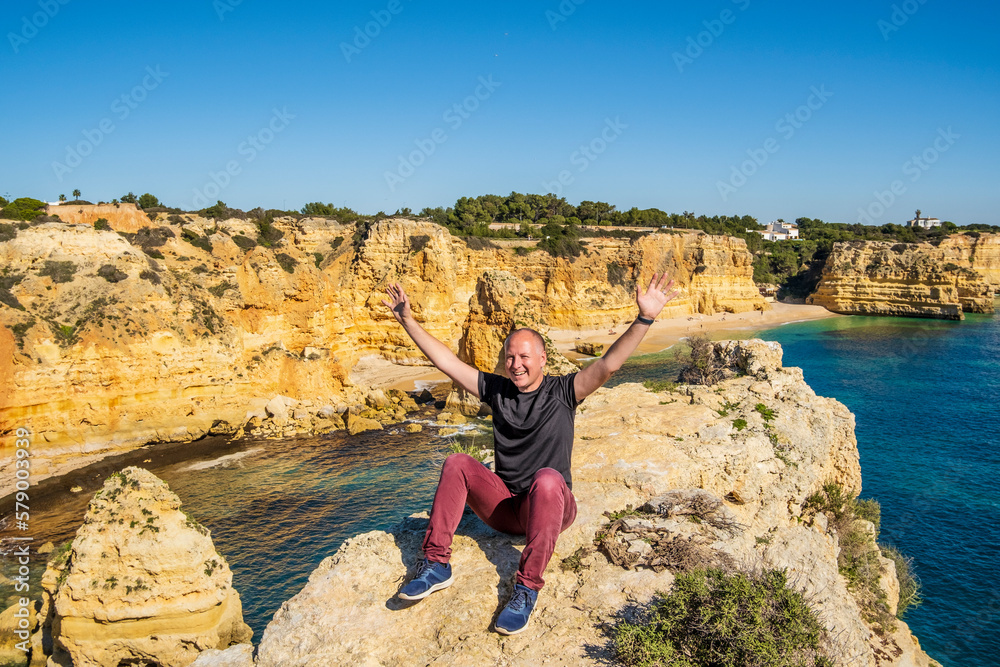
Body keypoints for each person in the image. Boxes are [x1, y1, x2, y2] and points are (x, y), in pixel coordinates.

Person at [381, 273, 678, 635]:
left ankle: (526, 588)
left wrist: (644, 318)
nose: (516, 363)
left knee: (548, 478)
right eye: (509, 357)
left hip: (551, 506)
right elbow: (446, 362)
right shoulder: (497, 390)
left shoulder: (565, 391)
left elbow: (608, 365)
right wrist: (408, 321)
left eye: (524, 356)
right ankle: (435, 564)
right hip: (507, 510)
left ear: (543, 359)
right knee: (457, 462)